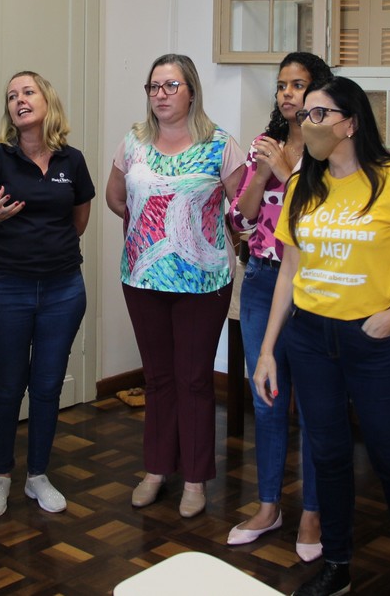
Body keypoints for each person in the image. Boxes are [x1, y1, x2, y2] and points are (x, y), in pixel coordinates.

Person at [253, 76, 390, 596]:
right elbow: (289, 271)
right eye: (304, 115)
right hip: (310, 339)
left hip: (374, 341)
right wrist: (267, 351)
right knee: (327, 455)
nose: (307, 123)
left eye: (319, 114)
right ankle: (338, 565)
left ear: (350, 123)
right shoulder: (304, 185)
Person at [105, 53, 245, 518]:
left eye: (171, 86)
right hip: (142, 277)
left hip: (203, 282)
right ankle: (156, 469)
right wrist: (149, 227)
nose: (160, 95)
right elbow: (115, 197)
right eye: (154, 87)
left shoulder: (220, 145)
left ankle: (195, 479)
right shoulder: (133, 142)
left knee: (194, 379)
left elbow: (241, 210)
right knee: (158, 378)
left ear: (191, 92)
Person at [0, 71, 94, 517]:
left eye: (27, 92)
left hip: (63, 290)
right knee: (7, 388)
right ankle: (1, 475)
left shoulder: (72, 161)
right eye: (11, 96)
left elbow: (78, 222)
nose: (19, 100)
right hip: (5, 289)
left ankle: (37, 475)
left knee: (46, 387)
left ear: (46, 101)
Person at [226, 52, 331, 560]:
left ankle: (313, 512)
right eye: (282, 85)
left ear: (319, 92)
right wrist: (262, 171)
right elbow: (241, 220)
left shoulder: (330, 151)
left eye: (299, 84)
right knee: (266, 396)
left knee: (313, 404)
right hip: (263, 280)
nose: (288, 93)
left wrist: (287, 171)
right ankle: (269, 507)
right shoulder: (263, 145)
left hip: (311, 285)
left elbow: (320, 216)